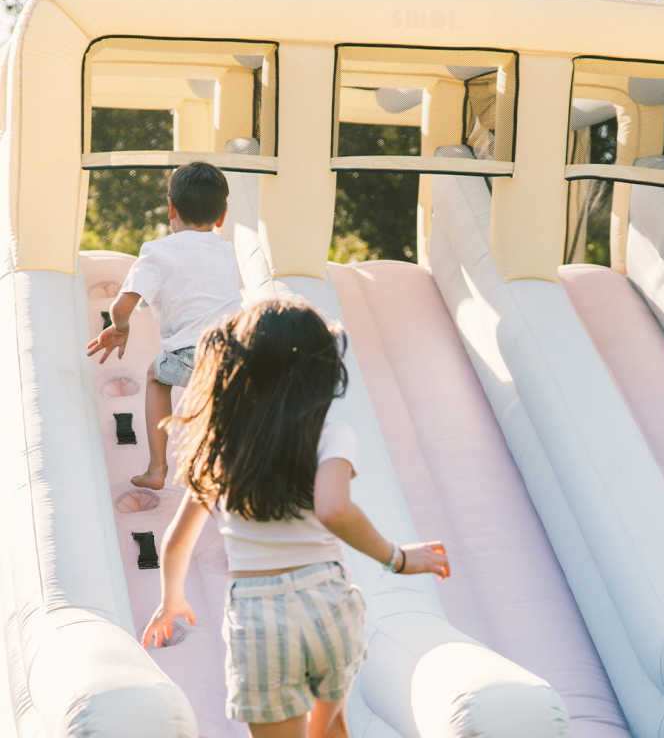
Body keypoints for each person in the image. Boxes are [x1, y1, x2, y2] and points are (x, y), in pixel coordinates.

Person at [140, 297, 450, 738]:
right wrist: (396, 557)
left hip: (259, 614)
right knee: (331, 728)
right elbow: (334, 508)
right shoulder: (331, 435)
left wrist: (172, 600)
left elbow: (176, 544)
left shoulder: (222, 447)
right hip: (328, 603)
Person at [87, 161, 241, 490]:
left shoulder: (157, 252)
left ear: (171, 208)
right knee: (220, 398)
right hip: (238, 349)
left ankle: (157, 468)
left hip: (192, 352)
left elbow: (122, 306)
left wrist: (120, 327)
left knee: (156, 376)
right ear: (222, 216)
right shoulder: (226, 251)